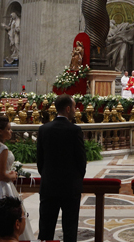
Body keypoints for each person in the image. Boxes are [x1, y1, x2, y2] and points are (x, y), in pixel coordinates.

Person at [37, 94, 86, 242]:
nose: (76, 111)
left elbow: (40, 160)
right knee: (70, 230)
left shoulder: (44, 129)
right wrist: (77, 179)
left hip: (48, 185)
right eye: (74, 108)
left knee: (45, 229)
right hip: (70, 187)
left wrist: (47, 175)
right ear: (67, 108)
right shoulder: (74, 130)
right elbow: (81, 160)